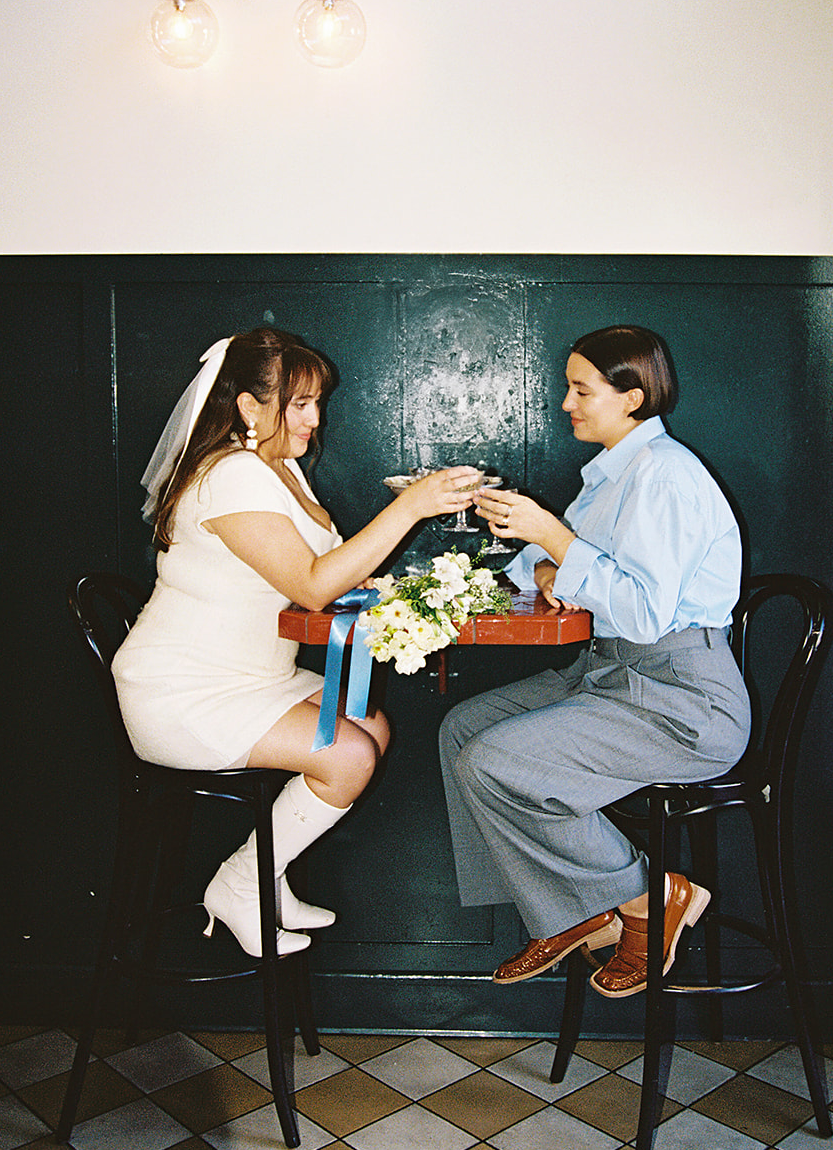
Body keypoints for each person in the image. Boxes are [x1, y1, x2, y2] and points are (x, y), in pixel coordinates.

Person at [112, 328, 478, 958]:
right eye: (300, 404)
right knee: (349, 757)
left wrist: (401, 590)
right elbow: (311, 587)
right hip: (183, 692)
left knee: (370, 724)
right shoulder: (228, 476)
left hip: (252, 676)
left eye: (317, 402)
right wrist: (411, 508)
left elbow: (334, 567)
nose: (315, 418)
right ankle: (239, 885)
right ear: (250, 408)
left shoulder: (279, 470)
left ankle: (263, 876)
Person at [439, 325, 751, 998]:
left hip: (681, 701)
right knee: (462, 730)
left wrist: (553, 537)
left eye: (581, 390)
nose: (565, 404)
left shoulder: (664, 476)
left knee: (494, 762)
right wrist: (538, 549)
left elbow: (640, 612)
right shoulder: (612, 474)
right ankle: (572, 909)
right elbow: (541, 573)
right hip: (612, 676)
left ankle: (645, 898)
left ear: (631, 396)